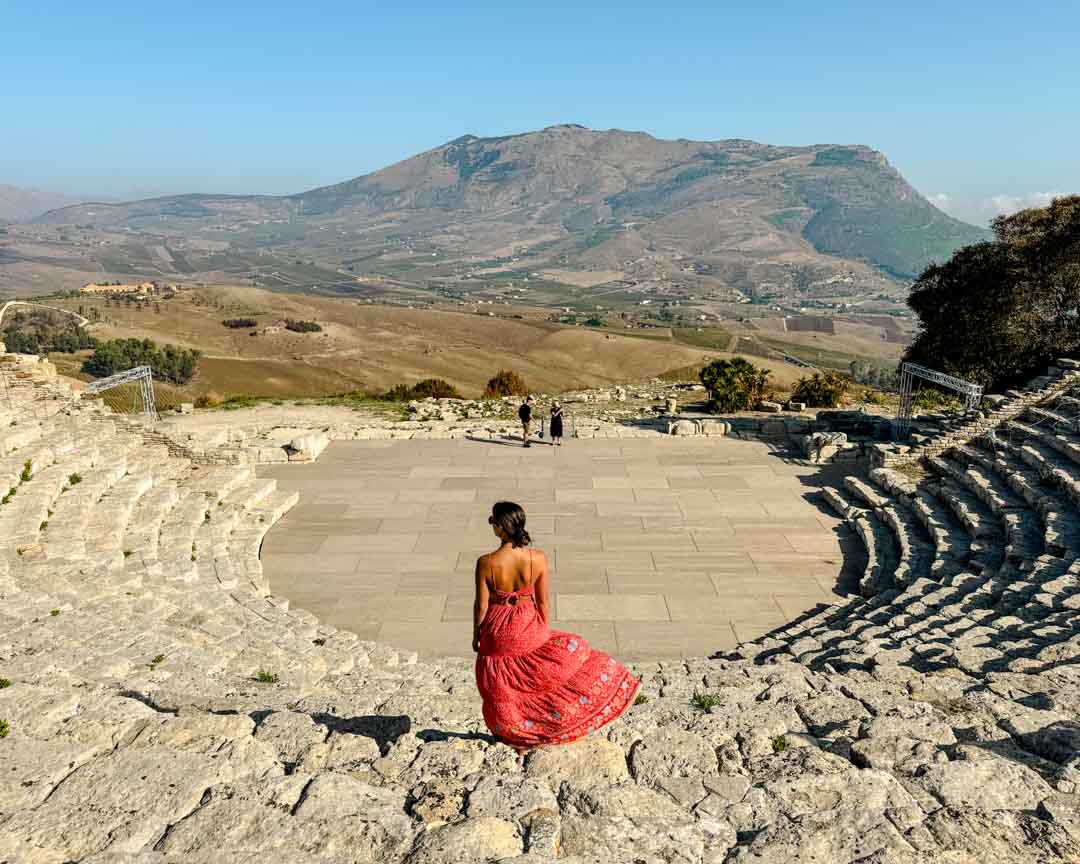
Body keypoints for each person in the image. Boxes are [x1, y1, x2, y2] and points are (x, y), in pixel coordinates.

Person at [473, 501, 639, 752]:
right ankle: (556, 722)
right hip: (529, 626)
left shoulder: (486, 562)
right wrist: (543, 632)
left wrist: (477, 632)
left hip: (497, 633)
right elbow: (543, 602)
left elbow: (481, 606)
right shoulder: (537, 558)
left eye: (492, 521)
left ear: (500, 528)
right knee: (567, 658)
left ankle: (517, 733)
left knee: (500, 683)